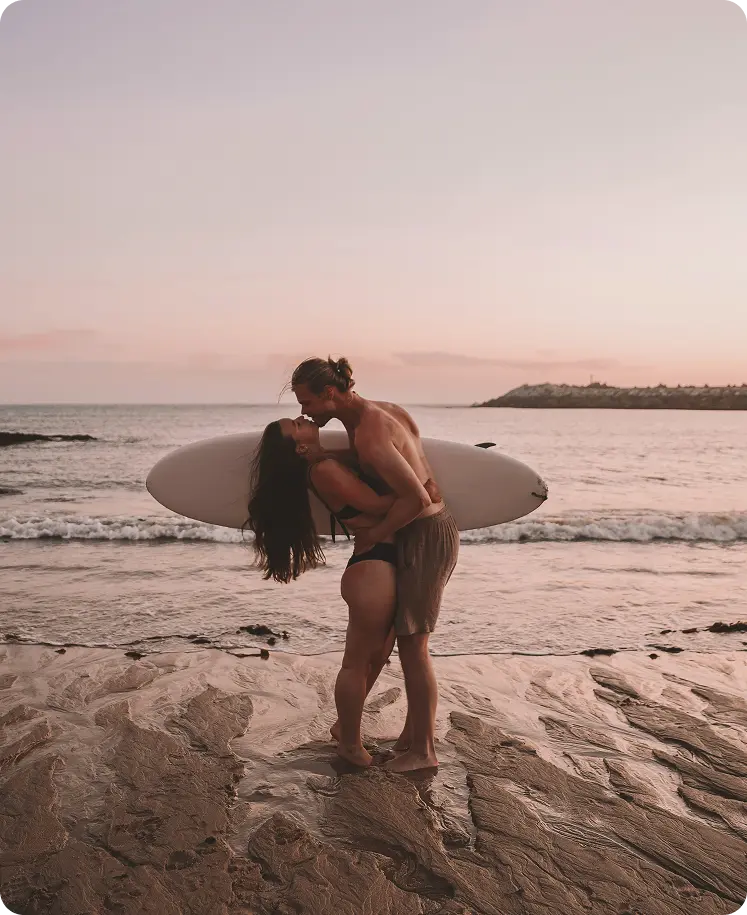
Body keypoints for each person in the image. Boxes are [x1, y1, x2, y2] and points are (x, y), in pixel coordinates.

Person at [291, 356, 460, 772]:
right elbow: (396, 468)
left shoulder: (369, 433)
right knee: (407, 641)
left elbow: (417, 498)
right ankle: (410, 739)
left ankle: (423, 752)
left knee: (414, 645)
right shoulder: (383, 412)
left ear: (330, 393)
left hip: (423, 536)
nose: (303, 411)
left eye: (307, 401)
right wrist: (320, 454)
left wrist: (376, 533)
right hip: (425, 530)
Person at [246, 415, 400, 767]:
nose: (302, 418)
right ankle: (350, 745)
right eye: (296, 425)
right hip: (373, 567)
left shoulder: (325, 462)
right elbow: (379, 506)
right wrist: (422, 486)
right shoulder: (324, 470)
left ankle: (344, 726)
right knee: (356, 663)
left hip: (380, 563)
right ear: (299, 447)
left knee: (378, 655)